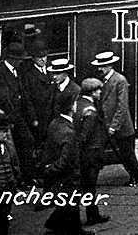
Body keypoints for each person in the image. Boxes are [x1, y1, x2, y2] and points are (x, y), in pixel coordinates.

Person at [0, 43, 34, 178]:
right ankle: (16, 177)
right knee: (10, 148)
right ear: (12, 59)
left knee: (27, 142)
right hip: (4, 118)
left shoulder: (18, 71)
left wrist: (31, 116)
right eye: (19, 59)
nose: (22, 61)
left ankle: (28, 177)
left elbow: (24, 94)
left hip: (19, 117)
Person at [40, 95, 88, 235]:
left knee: (69, 205)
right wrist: (51, 169)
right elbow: (65, 161)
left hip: (57, 178)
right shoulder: (69, 132)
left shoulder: (54, 123)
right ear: (72, 107)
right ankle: (55, 227)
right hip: (68, 176)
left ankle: (75, 230)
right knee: (70, 204)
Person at [93, 51, 138, 186]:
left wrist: (114, 126)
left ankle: (136, 176)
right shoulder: (105, 80)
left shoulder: (120, 80)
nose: (99, 69)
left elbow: (122, 106)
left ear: (109, 66)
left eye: (102, 66)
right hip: (106, 124)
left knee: (127, 154)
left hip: (120, 125)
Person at [74, 79, 110, 227]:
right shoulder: (90, 111)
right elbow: (85, 136)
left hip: (83, 155)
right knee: (90, 187)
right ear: (92, 92)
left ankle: (90, 214)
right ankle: (92, 216)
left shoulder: (78, 104)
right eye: (98, 90)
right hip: (91, 154)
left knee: (84, 187)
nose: (100, 93)